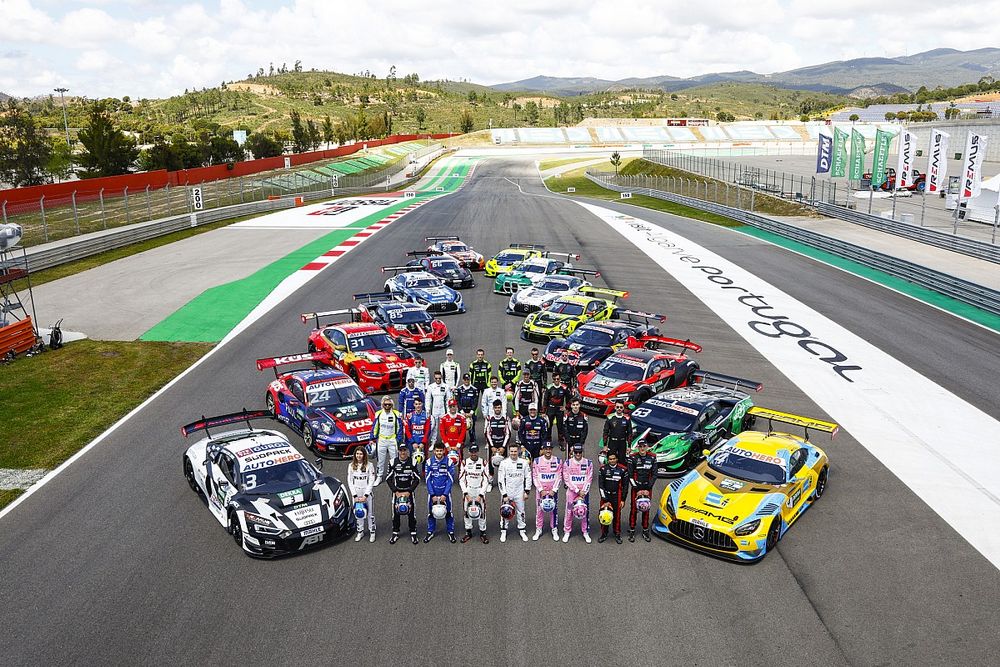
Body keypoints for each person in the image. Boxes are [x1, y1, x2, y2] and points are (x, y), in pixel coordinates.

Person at [386, 443, 421, 544]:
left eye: (404, 450)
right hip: (397, 492)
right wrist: (395, 491)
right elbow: (388, 478)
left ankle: (413, 532)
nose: (403, 452)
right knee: (395, 513)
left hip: (409, 492)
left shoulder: (413, 462)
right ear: (398, 451)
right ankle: (395, 532)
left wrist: (409, 491)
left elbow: (417, 478)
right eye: (401, 450)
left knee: (411, 513)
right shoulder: (393, 462)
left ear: (407, 451)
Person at [496, 443, 531, 542]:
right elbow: (500, 480)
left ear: (518, 451)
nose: (513, 453)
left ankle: (522, 530)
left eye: (515, 451)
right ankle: (503, 531)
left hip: (519, 492)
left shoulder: (524, 462)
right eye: (511, 451)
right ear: (509, 452)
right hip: (508, 492)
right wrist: (504, 494)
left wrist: (527, 491)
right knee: (505, 511)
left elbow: (528, 477)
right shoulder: (504, 463)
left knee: (521, 511)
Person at [424, 442, 456, 543]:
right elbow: (427, 479)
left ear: (444, 451)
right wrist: (432, 494)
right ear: (434, 451)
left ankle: (450, 532)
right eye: (437, 451)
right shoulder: (429, 462)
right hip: (433, 492)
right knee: (431, 513)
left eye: (441, 451)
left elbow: (451, 479)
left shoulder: (449, 462)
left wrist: (445, 494)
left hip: (445, 493)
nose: (439, 452)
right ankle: (430, 531)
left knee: (449, 513)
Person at [459, 443, 492, 543]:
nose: (473, 454)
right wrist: (465, 493)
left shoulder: (484, 463)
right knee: (466, 511)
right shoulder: (464, 463)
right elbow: (461, 479)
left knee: (482, 511)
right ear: (469, 452)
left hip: (479, 490)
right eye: (471, 452)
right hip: (468, 490)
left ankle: (483, 532)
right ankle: (468, 532)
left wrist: (481, 494)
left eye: (475, 452)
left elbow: (487, 480)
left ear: (478, 452)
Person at [562, 444, 594, 543]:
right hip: (572, 492)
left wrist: (584, 491)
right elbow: (566, 479)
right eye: (576, 452)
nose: (578, 454)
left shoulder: (589, 463)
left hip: (584, 492)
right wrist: (577, 490)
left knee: (584, 511)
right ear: (573, 453)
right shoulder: (567, 463)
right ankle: (567, 531)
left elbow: (589, 479)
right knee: (569, 511)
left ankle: (585, 531)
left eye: (580, 452)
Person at [628, 437, 657, 542]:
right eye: (640, 447)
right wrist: (637, 488)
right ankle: (632, 530)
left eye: (644, 446)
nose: (642, 448)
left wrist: (648, 488)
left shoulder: (653, 457)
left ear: (647, 447)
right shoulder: (632, 458)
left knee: (646, 508)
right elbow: (630, 475)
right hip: (636, 488)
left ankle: (645, 529)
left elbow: (654, 474)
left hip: (647, 488)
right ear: (638, 448)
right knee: (634, 509)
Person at [532, 441, 563, 541]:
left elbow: (559, 477)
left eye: (549, 449)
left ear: (551, 450)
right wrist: (541, 490)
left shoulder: (558, 461)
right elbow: (535, 477)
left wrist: (554, 490)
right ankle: (538, 529)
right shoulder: (537, 461)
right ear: (543, 450)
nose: (548, 451)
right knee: (539, 510)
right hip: (541, 492)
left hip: (552, 491)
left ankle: (554, 529)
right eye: (546, 449)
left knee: (554, 510)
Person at [598, 450, 629, 544]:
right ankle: (604, 533)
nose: (612, 461)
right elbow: (601, 486)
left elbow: (625, 486)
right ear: (608, 459)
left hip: (617, 496)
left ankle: (617, 533)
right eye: (610, 459)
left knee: (617, 516)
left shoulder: (623, 469)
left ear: (617, 459)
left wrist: (623, 499)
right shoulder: (603, 469)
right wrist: (605, 500)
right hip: (606, 496)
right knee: (604, 514)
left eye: (614, 459)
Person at [347, 448, 376, 543]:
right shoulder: (351, 466)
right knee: (358, 512)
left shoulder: (370, 465)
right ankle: (360, 531)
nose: (359, 456)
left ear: (364, 455)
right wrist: (354, 495)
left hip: (366, 493)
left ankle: (372, 531)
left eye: (361, 454)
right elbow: (350, 481)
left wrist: (366, 495)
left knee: (370, 514)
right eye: (357, 454)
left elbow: (371, 480)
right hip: (356, 492)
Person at [372, 396, 402, 485]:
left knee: (394, 459)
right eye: (385, 404)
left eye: (389, 404)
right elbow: (375, 426)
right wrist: (372, 438)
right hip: (381, 440)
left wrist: (399, 440)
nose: (387, 406)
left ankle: (394, 476)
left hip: (392, 440)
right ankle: (379, 476)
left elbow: (400, 428)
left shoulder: (397, 414)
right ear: (382, 405)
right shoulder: (378, 414)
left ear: (392, 404)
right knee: (380, 460)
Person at [601, 400, 633, 465]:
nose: (619, 409)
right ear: (615, 407)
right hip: (612, 442)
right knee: (611, 460)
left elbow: (630, 433)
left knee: (622, 461)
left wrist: (629, 446)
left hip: (622, 443)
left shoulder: (627, 418)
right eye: (617, 407)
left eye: (621, 407)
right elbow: (605, 432)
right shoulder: (610, 417)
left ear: (623, 408)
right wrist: (605, 445)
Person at [484, 399, 510, 478]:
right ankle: (490, 480)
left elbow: (508, 434)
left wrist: (503, 447)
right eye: (496, 408)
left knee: (504, 463)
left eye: (499, 407)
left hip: (502, 444)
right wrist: (491, 446)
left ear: (501, 408)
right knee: (490, 463)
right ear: (493, 408)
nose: (497, 409)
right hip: (492, 445)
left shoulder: (506, 418)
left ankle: (504, 480)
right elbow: (487, 433)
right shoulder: (489, 418)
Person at [439, 399, 468, 469]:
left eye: (454, 406)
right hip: (447, 444)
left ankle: (460, 477)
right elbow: (442, 432)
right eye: (451, 406)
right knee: (446, 462)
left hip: (458, 444)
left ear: (456, 406)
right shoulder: (443, 418)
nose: (452, 408)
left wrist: (458, 445)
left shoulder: (462, 418)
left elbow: (463, 432)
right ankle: (446, 478)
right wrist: (447, 445)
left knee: (459, 461)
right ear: (448, 407)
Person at [543, 375, 569, 449]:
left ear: (560, 379)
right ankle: (548, 440)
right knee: (548, 425)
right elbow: (545, 400)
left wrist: (566, 407)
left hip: (559, 409)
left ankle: (561, 441)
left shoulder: (564, 388)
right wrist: (544, 412)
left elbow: (569, 399)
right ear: (553, 380)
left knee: (560, 426)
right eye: (555, 379)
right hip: (550, 409)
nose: (556, 380)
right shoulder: (549, 387)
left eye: (558, 379)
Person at [425, 370, 450, 445]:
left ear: (441, 377)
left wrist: (448, 410)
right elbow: (428, 399)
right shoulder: (431, 387)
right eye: (436, 378)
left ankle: (444, 441)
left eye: (439, 378)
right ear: (434, 378)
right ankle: (433, 442)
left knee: (444, 426)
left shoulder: (446, 386)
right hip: (434, 410)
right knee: (434, 427)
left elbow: (448, 399)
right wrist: (427, 409)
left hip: (443, 410)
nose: (438, 380)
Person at [404, 398, 431, 464]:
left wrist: (423, 442)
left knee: (425, 459)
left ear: (422, 404)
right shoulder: (410, 416)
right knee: (411, 459)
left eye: (419, 404)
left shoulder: (426, 415)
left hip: (423, 442)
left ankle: (424, 473)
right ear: (414, 405)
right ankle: (413, 473)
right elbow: (407, 430)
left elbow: (428, 430)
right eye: (416, 404)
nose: (418, 406)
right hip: (412, 442)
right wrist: (412, 442)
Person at [455, 373, 479, 445]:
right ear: (463, 380)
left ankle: (472, 440)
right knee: (461, 426)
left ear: (470, 380)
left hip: (470, 412)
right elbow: (457, 401)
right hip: (462, 412)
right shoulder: (459, 389)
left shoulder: (474, 389)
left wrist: (471, 412)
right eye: (465, 380)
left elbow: (475, 401)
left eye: (468, 379)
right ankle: (462, 440)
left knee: (471, 426)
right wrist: (462, 412)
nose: (466, 381)